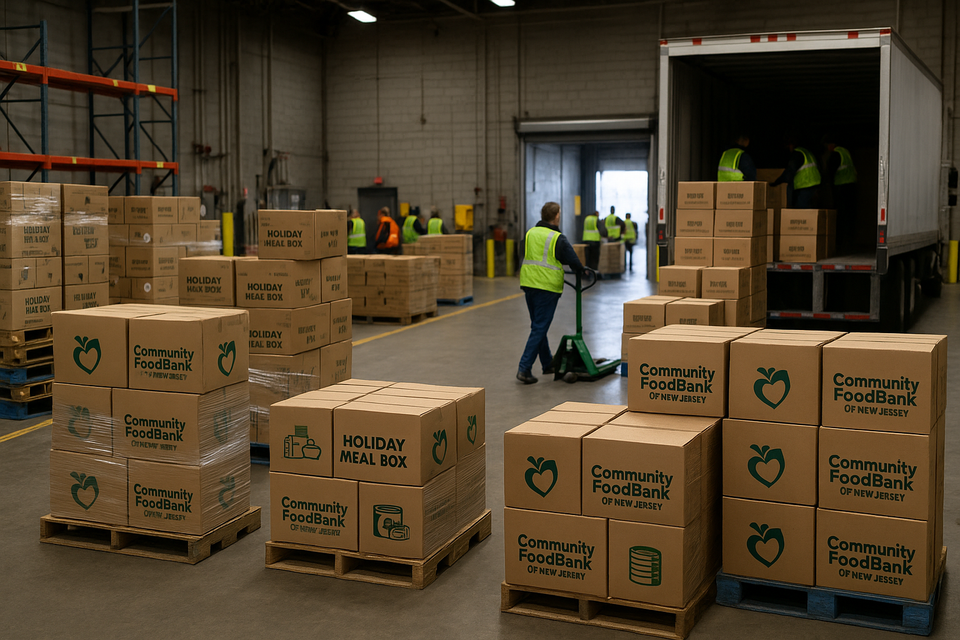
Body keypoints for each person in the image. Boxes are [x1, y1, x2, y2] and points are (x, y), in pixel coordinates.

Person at [517, 201, 584, 384]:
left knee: (538, 326)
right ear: (556, 216)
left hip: (528, 284)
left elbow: (521, 252)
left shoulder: (530, 233)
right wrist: (582, 270)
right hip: (546, 287)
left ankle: (548, 364)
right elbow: (572, 259)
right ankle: (524, 368)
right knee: (539, 327)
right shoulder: (556, 237)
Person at [823, 136, 858, 254]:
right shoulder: (845, 152)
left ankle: (840, 245)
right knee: (849, 216)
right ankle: (848, 244)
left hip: (842, 187)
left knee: (841, 217)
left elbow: (830, 171)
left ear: (831, 145)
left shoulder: (836, 154)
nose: (828, 149)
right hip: (851, 186)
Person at [771, 138, 821, 208]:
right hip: (814, 183)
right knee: (809, 209)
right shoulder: (806, 152)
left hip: (806, 184)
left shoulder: (797, 154)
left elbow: (789, 172)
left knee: (801, 209)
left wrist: (776, 182)